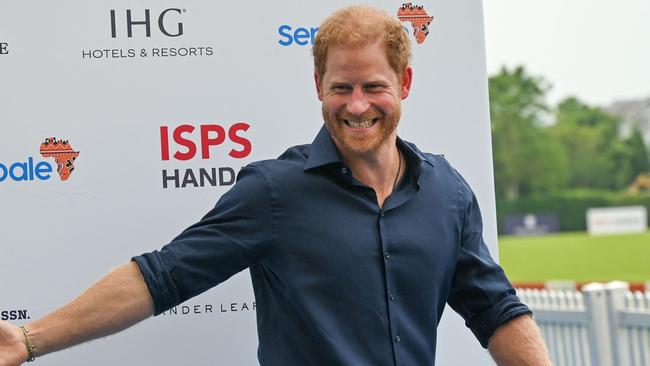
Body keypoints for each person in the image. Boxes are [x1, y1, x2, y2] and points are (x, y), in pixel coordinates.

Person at [0, 5, 552, 366]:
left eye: (373, 86)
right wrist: (28, 340)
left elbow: (496, 309)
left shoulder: (446, 191)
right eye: (341, 87)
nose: (357, 105)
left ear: (404, 83)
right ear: (318, 86)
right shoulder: (273, 192)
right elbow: (163, 276)